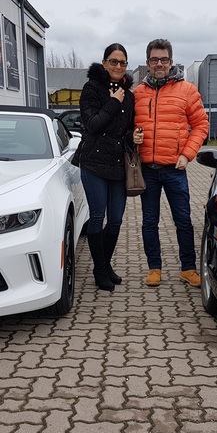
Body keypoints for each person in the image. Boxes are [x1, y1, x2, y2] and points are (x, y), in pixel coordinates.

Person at [133, 38, 209, 287]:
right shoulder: (138, 94)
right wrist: (132, 137)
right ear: (147, 63)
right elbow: (126, 127)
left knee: (183, 221)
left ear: (171, 61)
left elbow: (201, 125)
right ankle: (154, 268)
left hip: (175, 169)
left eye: (164, 59)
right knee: (149, 222)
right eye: (154, 59)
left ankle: (188, 268)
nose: (159, 64)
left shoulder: (187, 90)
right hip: (147, 170)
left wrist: (187, 154)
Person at [76, 43, 144, 291]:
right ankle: (99, 270)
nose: (118, 66)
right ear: (104, 63)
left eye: (122, 62)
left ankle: (105, 265)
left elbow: (124, 131)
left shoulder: (130, 95)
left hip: (117, 165)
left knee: (115, 220)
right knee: (97, 217)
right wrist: (113, 102)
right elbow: (92, 125)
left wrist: (132, 137)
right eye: (113, 61)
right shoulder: (92, 89)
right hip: (93, 163)